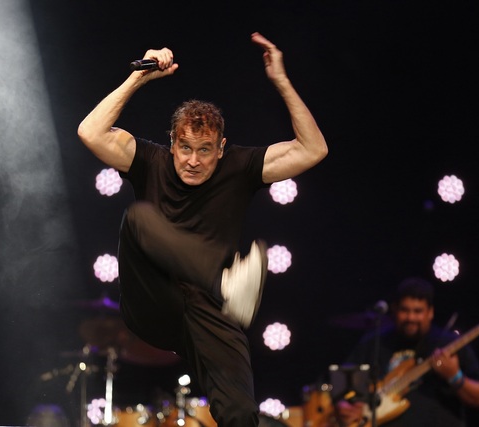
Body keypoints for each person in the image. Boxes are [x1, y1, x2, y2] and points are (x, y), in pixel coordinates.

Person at [77, 32, 328, 427]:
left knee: (242, 414)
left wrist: (281, 81)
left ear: (221, 147)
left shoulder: (240, 167)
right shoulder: (149, 159)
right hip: (154, 301)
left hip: (210, 307)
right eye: (185, 148)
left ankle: (224, 285)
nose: (193, 161)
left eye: (205, 149)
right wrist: (139, 78)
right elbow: (90, 132)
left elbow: (313, 149)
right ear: (172, 143)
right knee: (139, 218)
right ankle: (224, 280)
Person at [333, 277, 479, 427]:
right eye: (405, 310)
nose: (411, 317)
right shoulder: (376, 341)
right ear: (394, 309)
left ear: (430, 312)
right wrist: (343, 404)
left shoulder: (449, 344)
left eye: (418, 311)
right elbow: (342, 383)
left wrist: (454, 376)